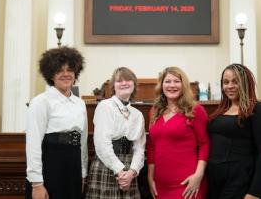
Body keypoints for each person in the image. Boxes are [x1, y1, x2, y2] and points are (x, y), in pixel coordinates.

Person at [25, 46, 88, 199]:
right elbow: (33, 144)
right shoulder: (41, 102)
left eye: (70, 70)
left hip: (73, 168)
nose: (66, 74)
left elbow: (83, 142)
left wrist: (82, 174)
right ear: (51, 75)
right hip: (50, 166)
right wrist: (37, 184)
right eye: (60, 70)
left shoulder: (80, 103)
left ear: (76, 73)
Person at [206, 64, 261, 199]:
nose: (229, 86)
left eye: (235, 81)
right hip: (214, 182)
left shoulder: (258, 110)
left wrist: (255, 192)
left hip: (239, 182)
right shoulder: (221, 111)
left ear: (245, 83)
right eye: (226, 82)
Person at [147, 66, 210, 199]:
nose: (172, 85)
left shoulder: (195, 110)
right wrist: (150, 177)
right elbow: (152, 146)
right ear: (161, 85)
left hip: (188, 185)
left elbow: (205, 144)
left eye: (176, 81)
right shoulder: (154, 111)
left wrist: (198, 176)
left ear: (183, 85)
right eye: (167, 81)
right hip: (160, 186)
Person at [86, 67, 146, 198]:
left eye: (128, 80)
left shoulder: (138, 115)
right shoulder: (105, 106)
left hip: (129, 169)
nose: (124, 83)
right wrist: (120, 171)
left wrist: (132, 172)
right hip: (107, 165)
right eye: (119, 81)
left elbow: (139, 148)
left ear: (134, 84)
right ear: (113, 85)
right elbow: (102, 144)